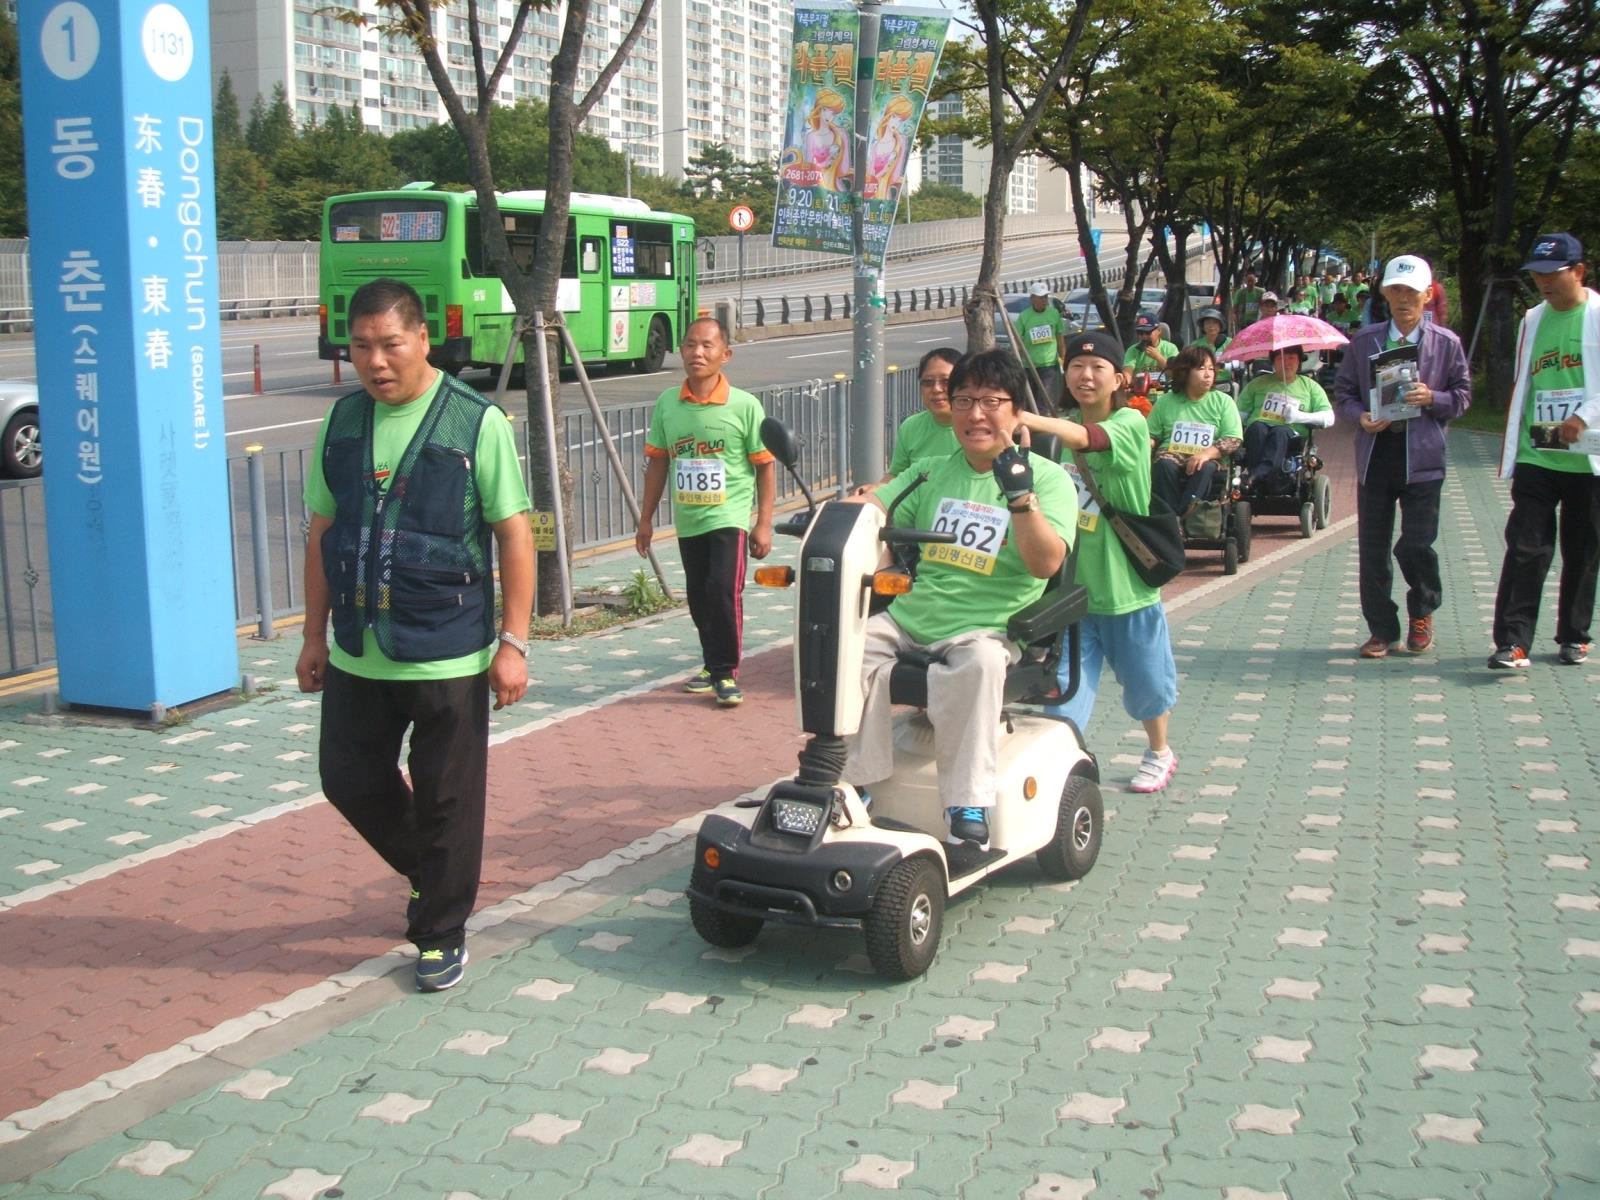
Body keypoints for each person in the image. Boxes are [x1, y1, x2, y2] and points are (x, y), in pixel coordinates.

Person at [296, 278, 534, 994]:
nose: (376, 362)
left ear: (423, 339)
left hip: (449, 649)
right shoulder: (340, 424)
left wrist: (513, 642)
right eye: (361, 346)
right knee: (347, 778)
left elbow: (514, 536)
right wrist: (313, 635)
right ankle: (438, 877)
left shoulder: (473, 422)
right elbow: (322, 532)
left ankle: (440, 930)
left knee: (446, 800)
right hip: (357, 648)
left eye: (390, 344)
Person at [844, 349, 1076, 843]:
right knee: (845, 647)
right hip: (913, 616)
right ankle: (856, 782)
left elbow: (1046, 563)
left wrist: (1020, 497)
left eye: (992, 401)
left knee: (981, 665)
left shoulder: (1050, 480)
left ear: (1016, 411)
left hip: (988, 625)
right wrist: (833, 515)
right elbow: (873, 504)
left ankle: (967, 804)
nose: (976, 414)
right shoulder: (930, 470)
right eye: (964, 400)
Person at [1018, 332, 1181, 794]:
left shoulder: (1130, 423)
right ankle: (1059, 769)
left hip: (1127, 591)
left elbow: (1088, 438)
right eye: (1076, 368)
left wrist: (1028, 416)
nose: (1085, 377)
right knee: (1065, 691)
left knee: (1148, 687)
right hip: (1075, 596)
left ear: (1118, 379)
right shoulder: (1056, 429)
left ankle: (1159, 752)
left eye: (1097, 370)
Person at [1332, 254, 1472, 659]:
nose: (1403, 299)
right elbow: (1344, 394)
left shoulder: (1446, 344)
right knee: (1372, 548)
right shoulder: (1365, 341)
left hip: (1424, 459)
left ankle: (1422, 612)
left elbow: (1462, 397)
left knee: (1415, 545)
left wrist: (1434, 398)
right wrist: (1360, 416)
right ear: (1384, 294)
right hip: (1376, 455)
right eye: (1395, 290)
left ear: (1428, 295)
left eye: (1411, 292)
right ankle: (1381, 629)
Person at [636, 318, 776, 706]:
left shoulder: (745, 405)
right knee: (699, 595)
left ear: (725, 354)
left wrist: (763, 524)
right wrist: (645, 519)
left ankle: (726, 672)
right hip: (689, 518)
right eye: (690, 345)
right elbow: (659, 462)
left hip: (729, 516)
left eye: (707, 346)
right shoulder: (668, 403)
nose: (697, 353)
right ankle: (712, 663)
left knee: (722, 590)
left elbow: (765, 465)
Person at [1487, 233, 1600, 669]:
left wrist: (1584, 417)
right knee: (1527, 547)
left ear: (1579, 271)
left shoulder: (1595, 316)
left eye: (1553, 274)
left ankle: (1574, 633)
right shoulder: (1532, 319)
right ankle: (1513, 642)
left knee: (1583, 547)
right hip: (1540, 452)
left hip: (1588, 457)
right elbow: (1526, 383)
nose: (1544, 283)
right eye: (1537, 275)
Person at [1148, 344, 1244, 518]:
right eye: (1201, 369)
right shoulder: (1166, 401)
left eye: (1210, 369)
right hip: (1171, 452)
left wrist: (1206, 454)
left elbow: (1233, 438)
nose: (1208, 375)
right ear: (1186, 372)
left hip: (1208, 456)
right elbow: (1152, 434)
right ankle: (1171, 517)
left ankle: (1184, 513)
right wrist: (1146, 443)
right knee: (1163, 464)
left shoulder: (1223, 401)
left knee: (1204, 467)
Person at [1238, 345, 1335, 486]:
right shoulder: (1257, 384)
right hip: (1259, 428)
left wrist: (1299, 416)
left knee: (1280, 432)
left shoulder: (1310, 386)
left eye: (1291, 358)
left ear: (1299, 361)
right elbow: (1238, 414)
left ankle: (1260, 474)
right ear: (1273, 361)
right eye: (1280, 358)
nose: (1286, 363)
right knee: (1257, 428)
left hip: (1290, 432)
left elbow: (1329, 417)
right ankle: (1255, 473)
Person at [879, 347, 961, 481]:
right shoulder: (911, 426)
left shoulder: (977, 428)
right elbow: (897, 476)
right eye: (928, 383)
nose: (936, 389)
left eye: (946, 381)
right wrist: (874, 490)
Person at [1015, 282, 1066, 406]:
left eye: (1045, 297)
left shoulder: (1053, 313)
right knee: (1030, 399)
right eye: (1040, 297)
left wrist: (1063, 358)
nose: (1044, 300)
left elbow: (1060, 338)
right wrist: (1018, 358)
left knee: (1044, 398)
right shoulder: (1024, 316)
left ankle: (1043, 419)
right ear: (1032, 298)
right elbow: (1017, 339)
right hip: (1030, 365)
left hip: (1049, 364)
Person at [1188, 307, 1235, 389]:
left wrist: (1223, 365)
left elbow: (1238, 363)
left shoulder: (1229, 342)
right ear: (1203, 326)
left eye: (1215, 323)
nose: (1211, 326)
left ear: (1220, 325)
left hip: (1224, 382)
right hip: (1202, 383)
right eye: (1208, 323)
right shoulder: (1196, 345)